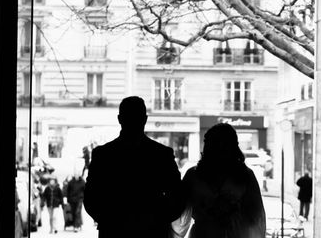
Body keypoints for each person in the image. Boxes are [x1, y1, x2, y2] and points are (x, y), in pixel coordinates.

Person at [84, 96, 183, 238]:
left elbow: (91, 198)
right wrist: (158, 219)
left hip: (114, 230)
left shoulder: (103, 154)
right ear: (145, 119)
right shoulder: (161, 154)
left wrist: (109, 219)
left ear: (119, 119)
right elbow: (177, 198)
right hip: (152, 231)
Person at [174, 123, 266, 238]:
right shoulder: (244, 175)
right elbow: (178, 209)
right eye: (216, 144)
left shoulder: (245, 175)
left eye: (224, 145)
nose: (220, 149)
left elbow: (255, 215)